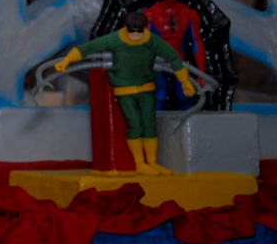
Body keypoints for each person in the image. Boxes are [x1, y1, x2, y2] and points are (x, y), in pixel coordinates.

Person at [54, 11, 195, 176]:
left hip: (147, 89)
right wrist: (67, 60)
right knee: (134, 124)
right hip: (124, 91)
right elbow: (89, 48)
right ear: (125, 27)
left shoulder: (150, 40)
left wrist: (184, 81)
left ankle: (152, 162)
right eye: (132, 30)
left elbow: (173, 56)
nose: (135, 34)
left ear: (144, 28)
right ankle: (140, 163)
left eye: (139, 30)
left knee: (150, 126)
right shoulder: (115, 39)